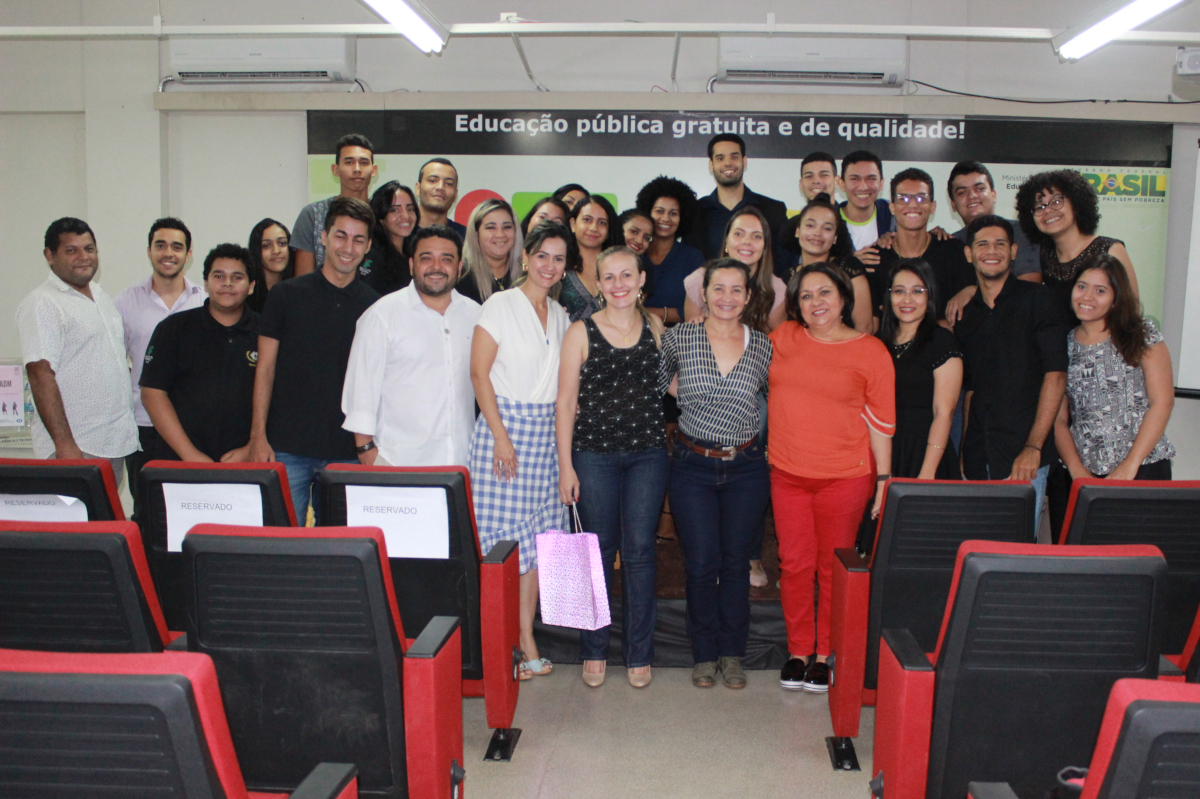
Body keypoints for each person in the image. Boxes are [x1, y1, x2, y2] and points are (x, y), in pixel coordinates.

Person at [769, 263, 894, 693]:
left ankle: (825, 655)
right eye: (805, 295)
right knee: (794, 565)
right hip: (787, 475)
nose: (815, 302)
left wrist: (884, 481)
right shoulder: (783, 338)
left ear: (843, 298)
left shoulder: (871, 351)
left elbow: (881, 423)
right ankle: (799, 651)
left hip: (845, 477)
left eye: (825, 292)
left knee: (831, 567)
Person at [557, 246, 667, 689]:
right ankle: (594, 648)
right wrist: (565, 466)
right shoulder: (580, 331)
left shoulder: (656, 327)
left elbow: (674, 385)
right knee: (596, 552)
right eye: (609, 277)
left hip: (647, 456)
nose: (618, 284)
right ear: (599, 284)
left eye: (627, 275)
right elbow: (566, 403)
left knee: (640, 552)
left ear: (641, 280)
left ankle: (639, 652)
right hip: (593, 456)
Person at [660, 259, 772, 690]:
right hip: (692, 466)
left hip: (746, 467)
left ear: (748, 296)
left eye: (736, 289)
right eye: (718, 288)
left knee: (736, 564)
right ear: (703, 293)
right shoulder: (680, 338)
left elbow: (775, 397)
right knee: (702, 564)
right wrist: (688, 393)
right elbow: (656, 383)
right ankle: (705, 654)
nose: (727, 297)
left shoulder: (762, 345)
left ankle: (733, 654)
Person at [469, 221, 571, 680]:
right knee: (501, 546)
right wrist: (500, 436)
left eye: (559, 258)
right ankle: (499, 643)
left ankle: (526, 637)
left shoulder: (562, 315)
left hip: (546, 438)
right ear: (525, 257)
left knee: (537, 544)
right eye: (542, 255)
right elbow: (479, 373)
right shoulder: (500, 304)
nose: (549, 265)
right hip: (504, 434)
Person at [250, 197, 381, 520]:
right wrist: (257, 437)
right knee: (281, 545)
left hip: (347, 453)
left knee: (338, 547)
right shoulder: (285, 296)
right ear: (323, 237)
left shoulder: (377, 308)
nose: (348, 247)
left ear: (368, 247)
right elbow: (264, 369)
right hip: (285, 449)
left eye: (358, 239)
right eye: (340, 236)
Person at [955, 215, 1068, 531]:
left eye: (1000, 244)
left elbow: (1056, 376)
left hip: (1023, 457)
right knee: (978, 547)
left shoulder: (1039, 300)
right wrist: (965, 449)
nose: (991, 251)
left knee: (1016, 551)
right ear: (969, 254)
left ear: (1014, 251)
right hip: (978, 456)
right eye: (982, 244)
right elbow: (972, 389)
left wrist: (1033, 448)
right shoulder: (967, 315)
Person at [343, 226, 480, 468]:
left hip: (462, 464)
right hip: (397, 464)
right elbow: (361, 390)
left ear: (459, 267)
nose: (436, 267)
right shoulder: (382, 315)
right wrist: (367, 453)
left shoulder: (476, 315)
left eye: (446, 259)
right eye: (426, 258)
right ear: (411, 265)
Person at [17, 218, 138, 483]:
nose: (84, 257)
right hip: (75, 447)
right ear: (50, 255)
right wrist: (64, 444)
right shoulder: (43, 303)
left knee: (104, 512)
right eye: (71, 250)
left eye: (89, 249)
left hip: (112, 443)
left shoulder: (101, 297)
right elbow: (40, 375)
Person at [1054, 254, 1174, 481]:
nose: (1087, 297)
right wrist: (1076, 470)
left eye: (1100, 291)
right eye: (1081, 286)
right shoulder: (1062, 343)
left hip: (1143, 465)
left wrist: (1130, 464)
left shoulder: (1142, 334)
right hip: (1082, 472)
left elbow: (1162, 402)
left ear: (1116, 298)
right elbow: (1057, 418)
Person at [113, 218, 205, 507]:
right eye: (160, 245)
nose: (168, 253)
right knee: (148, 512)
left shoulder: (204, 301)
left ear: (188, 255)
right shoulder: (125, 302)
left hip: (195, 427)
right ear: (149, 251)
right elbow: (114, 362)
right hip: (144, 427)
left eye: (177, 247)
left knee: (196, 507)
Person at [139, 244, 259, 463]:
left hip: (247, 462)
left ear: (251, 286)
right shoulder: (173, 328)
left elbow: (281, 399)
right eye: (218, 276)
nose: (227, 283)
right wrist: (190, 455)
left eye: (237, 277)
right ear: (206, 283)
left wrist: (252, 447)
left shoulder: (266, 332)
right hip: (180, 461)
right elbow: (152, 393)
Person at [877, 260, 963, 479]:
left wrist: (927, 472)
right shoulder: (877, 343)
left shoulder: (942, 342)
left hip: (926, 452)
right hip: (882, 449)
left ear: (930, 295)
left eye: (917, 291)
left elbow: (944, 413)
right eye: (899, 291)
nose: (907, 299)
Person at [1016, 168, 1139, 316]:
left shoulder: (1110, 249)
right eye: (1039, 207)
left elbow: (1131, 312)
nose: (1047, 210)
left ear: (1076, 203)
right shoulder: (1041, 255)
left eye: (1056, 201)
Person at [943, 161, 1042, 324]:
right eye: (962, 192)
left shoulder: (1023, 232)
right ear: (953, 205)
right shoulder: (951, 244)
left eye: (980, 188)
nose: (972, 196)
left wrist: (974, 291)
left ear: (994, 195)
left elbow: (1028, 292)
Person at [874, 168, 975, 322]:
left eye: (921, 198)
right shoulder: (875, 258)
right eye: (903, 198)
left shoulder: (954, 252)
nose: (913, 204)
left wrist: (972, 290)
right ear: (892, 207)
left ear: (933, 207)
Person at [781, 193, 874, 333]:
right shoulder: (788, 276)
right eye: (810, 225)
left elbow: (865, 328)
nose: (817, 233)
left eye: (827, 228)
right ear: (797, 231)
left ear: (835, 238)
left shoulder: (848, 269)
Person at [683, 206, 785, 331]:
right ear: (726, 240)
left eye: (757, 236)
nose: (747, 241)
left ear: (765, 246)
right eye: (738, 234)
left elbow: (776, 340)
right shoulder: (699, 280)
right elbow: (690, 338)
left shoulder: (778, 291)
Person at [292, 133, 377, 277]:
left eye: (364, 163)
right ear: (335, 169)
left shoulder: (384, 215)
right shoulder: (313, 214)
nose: (357, 169)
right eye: (349, 162)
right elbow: (303, 281)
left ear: (374, 170)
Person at [637, 176, 704, 325]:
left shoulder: (692, 258)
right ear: (647, 213)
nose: (665, 218)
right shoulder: (634, 254)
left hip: (679, 336)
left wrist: (645, 312)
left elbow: (696, 311)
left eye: (673, 213)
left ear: (683, 217)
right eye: (659, 211)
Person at [561, 195, 618, 323]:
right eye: (587, 220)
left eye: (602, 223)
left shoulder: (619, 269)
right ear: (573, 224)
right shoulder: (558, 266)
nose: (593, 228)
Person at [457, 199, 522, 305]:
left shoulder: (527, 274)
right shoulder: (461, 274)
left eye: (507, 227)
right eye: (491, 227)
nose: (500, 234)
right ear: (476, 234)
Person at [359, 181, 419, 296]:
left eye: (410, 209)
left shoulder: (414, 252)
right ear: (380, 216)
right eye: (395, 210)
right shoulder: (372, 255)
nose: (406, 216)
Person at [836, 150, 894, 266]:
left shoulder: (894, 215)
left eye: (871, 178)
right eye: (854, 179)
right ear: (842, 184)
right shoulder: (828, 221)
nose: (863, 187)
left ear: (881, 184)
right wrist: (847, 264)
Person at [247, 218, 296, 313]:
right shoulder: (247, 292)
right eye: (266, 245)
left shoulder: (297, 290)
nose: (276, 251)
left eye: (282, 243)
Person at [416, 157, 467, 239]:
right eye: (432, 180)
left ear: (455, 195)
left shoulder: (466, 238)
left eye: (449, 184)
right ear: (418, 189)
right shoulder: (400, 233)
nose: (440, 187)